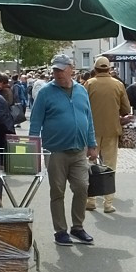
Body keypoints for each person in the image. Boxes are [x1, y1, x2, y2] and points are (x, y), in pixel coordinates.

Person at [29, 54, 98, 246]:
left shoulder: (81, 91)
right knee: (57, 191)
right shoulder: (45, 92)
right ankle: (60, 230)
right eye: (55, 70)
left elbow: (89, 119)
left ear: (71, 69)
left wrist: (92, 144)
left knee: (82, 188)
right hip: (55, 151)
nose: (57, 73)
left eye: (61, 69)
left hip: (78, 150)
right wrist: (33, 152)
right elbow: (35, 123)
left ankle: (78, 227)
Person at [84, 56, 132, 212]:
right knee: (110, 166)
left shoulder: (89, 84)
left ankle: (90, 200)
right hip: (111, 130)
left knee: (91, 164)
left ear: (95, 69)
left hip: (91, 131)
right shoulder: (118, 85)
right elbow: (126, 109)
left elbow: (82, 107)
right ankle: (108, 203)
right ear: (109, 69)